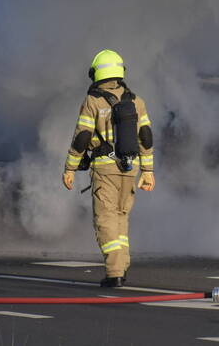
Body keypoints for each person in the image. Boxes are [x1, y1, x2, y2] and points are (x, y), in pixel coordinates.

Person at [63, 49, 155, 287]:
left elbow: (82, 137)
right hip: (130, 169)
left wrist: (70, 169)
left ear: (95, 72)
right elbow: (146, 137)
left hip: (105, 169)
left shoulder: (93, 101)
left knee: (104, 220)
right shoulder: (136, 100)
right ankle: (121, 267)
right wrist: (148, 171)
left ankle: (114, 273)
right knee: (121, 218)